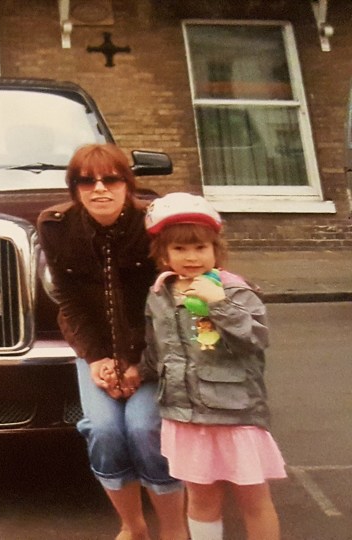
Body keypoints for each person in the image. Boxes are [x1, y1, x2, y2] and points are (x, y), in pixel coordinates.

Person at [37, 144, 186, 540]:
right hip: (96, 351)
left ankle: (174, 529)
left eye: (110, 179)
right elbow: (67, 298)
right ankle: (133, 526)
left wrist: (140, 362)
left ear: (127, 184)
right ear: (74, 188)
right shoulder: (55, 225)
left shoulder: (151, 224)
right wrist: (96, 359)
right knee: (103, 430)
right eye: (86, 181)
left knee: (143, 429)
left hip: (152, 350)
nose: (99, 189)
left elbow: (168, 303)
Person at [140, 192, 286, 540]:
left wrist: (218, 305)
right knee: (201, 499)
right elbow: (155, 348)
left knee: (253, 497)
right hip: (185, 415)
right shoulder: (159, 293)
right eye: (180, 249)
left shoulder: (236, 292)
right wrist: (136, 373)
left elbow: (254, 340)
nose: (191, 257)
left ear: (216, 250)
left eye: (200, 248)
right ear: (163, 254)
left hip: (236, 413)